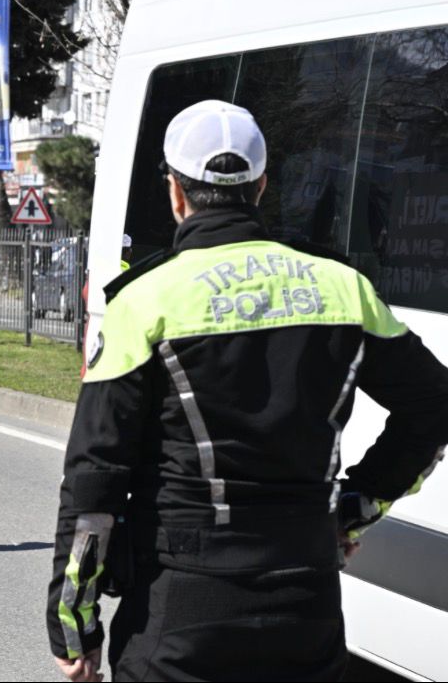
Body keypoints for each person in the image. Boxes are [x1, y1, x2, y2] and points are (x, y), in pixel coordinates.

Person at [46, 100, 448, 682]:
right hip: (306, 608)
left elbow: (94, 481)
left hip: (180, 612)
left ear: (175, 194)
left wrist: (73, 624)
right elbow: (435, 407)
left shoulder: (146, 301)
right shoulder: (344, 288)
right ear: (261, 187)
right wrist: (355, 509)